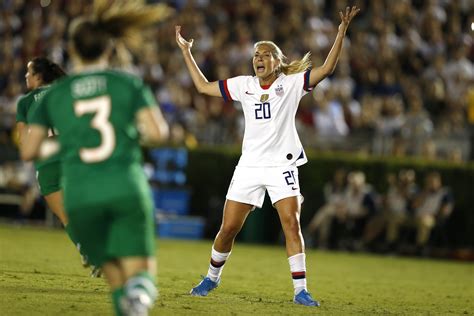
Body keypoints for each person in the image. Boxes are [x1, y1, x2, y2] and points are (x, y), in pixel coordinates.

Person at [176, 6, 360, 307]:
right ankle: (211, 278)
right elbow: (201, 86)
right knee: (228, 229)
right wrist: (186, 52)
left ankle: (301, 290)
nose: (258, 58)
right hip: (249, 165)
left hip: (281, 165)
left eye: (265, 54)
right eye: (256, 55)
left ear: (278, 61)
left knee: (291, 222)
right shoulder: (243, 85)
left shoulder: (291, 84)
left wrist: (340, 33)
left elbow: (326, 69)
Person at [20, 1, 171, 315]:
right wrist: (128, 133)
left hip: (80, 195)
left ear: (72, 51)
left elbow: (28, 150)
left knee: (115, 279)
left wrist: (64, 146)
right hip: (125, 187)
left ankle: (130, 303)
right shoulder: (127, 83)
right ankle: (141, 292)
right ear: (108, 48)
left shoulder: (56, 94)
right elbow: (158, 133)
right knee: (140, 273)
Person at [15, 57, 96, 270]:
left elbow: (24, 144)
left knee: (66, 217)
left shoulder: (25, 102)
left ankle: (87, 251)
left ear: (38, 77)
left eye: (29, 73)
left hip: (47, 164)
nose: (25, 76)